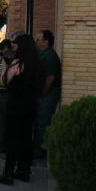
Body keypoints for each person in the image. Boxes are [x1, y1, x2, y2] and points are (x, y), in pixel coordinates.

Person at [0, 35, 39, 185]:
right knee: (26, 139)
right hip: (31, 106)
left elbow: (5, 81)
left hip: (16, 106)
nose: (14, 47)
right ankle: (23, 171)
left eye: (15, 44)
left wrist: (6, 65)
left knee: (12, 140)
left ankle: (8, 174)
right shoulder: (36, 62)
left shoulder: (19, 63)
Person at [34, 30, 61, 158]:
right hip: (45, 94)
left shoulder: (50, 56)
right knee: (40, 121)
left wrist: (43, 92)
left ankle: (41, 151)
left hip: (48, 95)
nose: (36, 42)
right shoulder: (43, 54)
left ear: (46, 41)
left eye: (38, 39)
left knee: (43, 122)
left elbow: (50, 77)